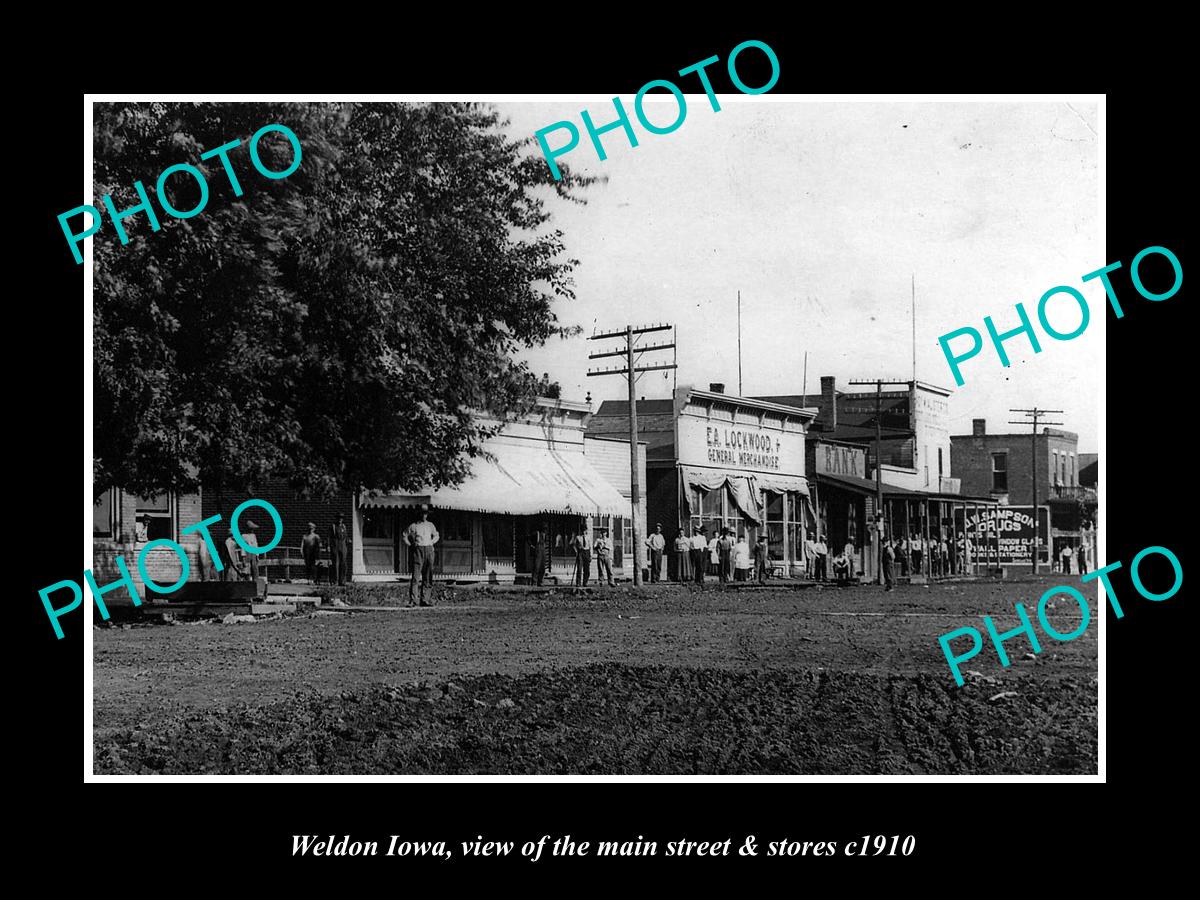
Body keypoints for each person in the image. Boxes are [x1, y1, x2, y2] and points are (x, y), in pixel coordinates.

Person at [404, 505, 439, 606]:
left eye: (425, 513)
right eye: (422, 513)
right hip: (418, 550)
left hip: (428, 549)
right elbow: (405, 535)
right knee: (416, 576)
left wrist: (432, 542)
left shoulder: (430, 525)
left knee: (428, 576)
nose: (424, 515)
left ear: (427, 514)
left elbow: (436, 535)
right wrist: (410, 545)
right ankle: (413, 600)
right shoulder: (414, 526)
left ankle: (425, 600)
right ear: (419, 514)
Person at [329, 514, 350, 586]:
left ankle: (342, 581)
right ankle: (335, 581)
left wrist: (348, 540)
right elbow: (329, 537)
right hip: (335, 545)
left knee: (343, 563)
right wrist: (329, 546)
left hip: (343, 546)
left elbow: (346, 536)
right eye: (338, 518)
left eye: (341, 518)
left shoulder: (344, 526)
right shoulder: (333, 527)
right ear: (336, 519)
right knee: (335, 564)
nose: (340, 520)